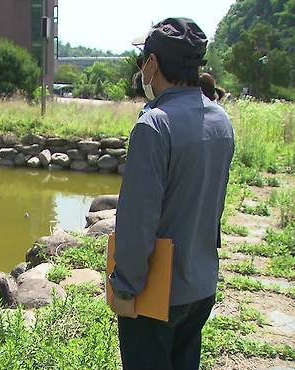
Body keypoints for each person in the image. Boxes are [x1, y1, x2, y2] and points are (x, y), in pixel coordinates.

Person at [109, 18, 235, 370]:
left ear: (152, 64)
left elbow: (137, 219)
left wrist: (124, 287)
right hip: (200, 284)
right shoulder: (221, 120)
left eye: (142, 62)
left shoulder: (154, 124)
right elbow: (214, 205)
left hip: (156, 292)